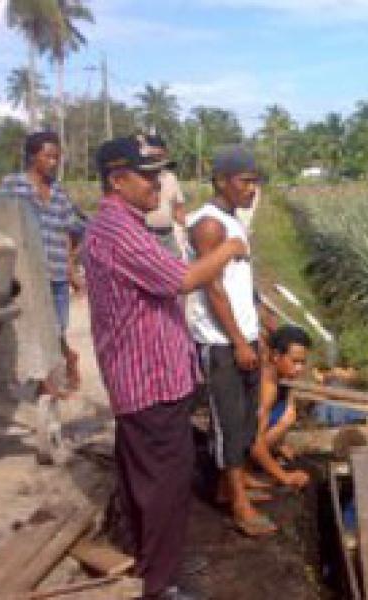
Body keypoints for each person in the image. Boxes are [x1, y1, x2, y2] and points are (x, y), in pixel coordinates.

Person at [84, 134, 248, 600]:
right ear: (117, 180)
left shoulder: (128, 225)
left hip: (149, 378)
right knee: (164, 486)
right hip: (149, 382)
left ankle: (152, 563)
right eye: (149, 175)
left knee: (147, 479)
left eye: (161, 173)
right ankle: (161, 585)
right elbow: (183, 279)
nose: (160, 184)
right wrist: (229, 249)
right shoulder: (118, 231)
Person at [187, 146, 276, 537]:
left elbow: (240, 282)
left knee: (244, 414)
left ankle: (232, 483)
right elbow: (213, 288)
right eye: (245, 180)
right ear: (221, 180)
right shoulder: (208, 225)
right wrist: (239, 341)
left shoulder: (232, 220)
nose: (251, 188)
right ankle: (238, 503)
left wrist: (259, 318)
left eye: (255, 181)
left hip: (243, 334)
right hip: (221, 341)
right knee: (226, 417)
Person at [3, 131, 85, 393]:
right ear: (32, 156)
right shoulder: (13, 186)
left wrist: (72, 270)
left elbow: (70, 231)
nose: (54, 162)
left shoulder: (59, 192)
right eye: (48, 156)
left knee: (57, 328)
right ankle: (46, 385)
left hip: (57, 273)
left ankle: (68, 360)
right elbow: (2, 224)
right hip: (26, 275)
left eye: (57, 157)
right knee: (35, 329)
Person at [250, 324, 311, 489]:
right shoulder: (268, 387)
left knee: (288, 412)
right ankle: (242, 474)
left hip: (248, 438)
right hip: (240, 446)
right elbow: (255, 444)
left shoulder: (278, 376)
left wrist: (278, 445)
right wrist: (285, 477)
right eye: (295, 361)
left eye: (303, 362)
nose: (299, 368)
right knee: (287, 417)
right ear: (276, 356)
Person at [143, 134, 187, 257]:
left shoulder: (170, 177)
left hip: (168, 235)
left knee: (177, 268)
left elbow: (178, 208)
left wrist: (187, 229)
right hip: (146, 235)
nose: (156, 159)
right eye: (152, 155)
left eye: (160, 155)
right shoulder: (139, 178)